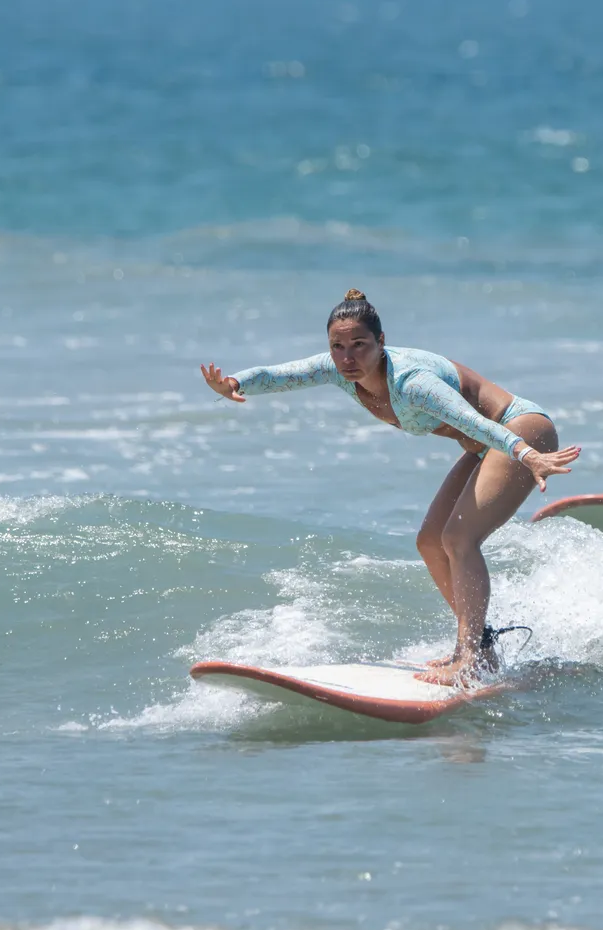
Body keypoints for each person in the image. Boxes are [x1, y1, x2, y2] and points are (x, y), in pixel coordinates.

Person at [200, 289, 581, 684]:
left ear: (381, 342)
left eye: (359, 345)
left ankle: (469, 658)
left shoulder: (413, 382)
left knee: (459, 539)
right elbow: (278, 375)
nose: (348, 357)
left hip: (518, 432)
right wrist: (234, 384)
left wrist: (526, 454)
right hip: (490, 444)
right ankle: (480, 646)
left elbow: (476, 424)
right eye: (337, 347)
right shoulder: (338, 370)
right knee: (430, 542)